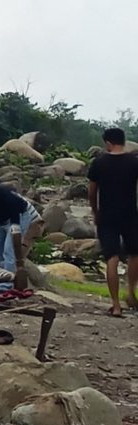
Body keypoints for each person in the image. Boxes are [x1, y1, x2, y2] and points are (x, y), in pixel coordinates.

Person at [88, 128, 138, 317]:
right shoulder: (134, 162)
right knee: (134, 254)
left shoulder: (99, 162)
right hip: (130, 214)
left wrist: (95, 211)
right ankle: (131, 293)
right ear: (123, 141)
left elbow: (92, 191)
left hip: (107, 215)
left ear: (108, 143)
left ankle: (116, 305)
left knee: (112, 257)